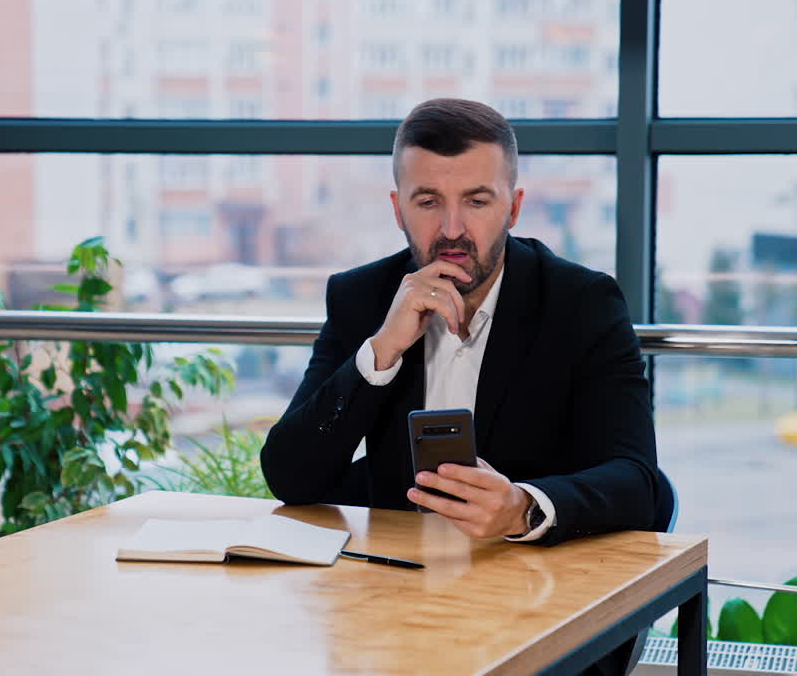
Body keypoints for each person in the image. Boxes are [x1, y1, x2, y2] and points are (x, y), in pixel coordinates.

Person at [261, 97, 662, 547]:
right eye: (428, 201)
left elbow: (639, 483)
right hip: (393, 584)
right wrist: (381, 352)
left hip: (534, 586)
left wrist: (521, 508)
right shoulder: (363, 297)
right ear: (398, 210)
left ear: (513, 208)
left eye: (476, 201)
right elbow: (290, 477)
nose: (453, 229)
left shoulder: (582, 302)